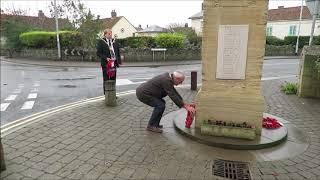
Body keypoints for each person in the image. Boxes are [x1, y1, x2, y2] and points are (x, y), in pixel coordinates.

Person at [96, 29, 121, 94]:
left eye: (111, 33)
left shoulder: (114, 41)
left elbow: (117, 52)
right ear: (105, 34)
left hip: (113, 63)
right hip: (106, 63)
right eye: (109, 34)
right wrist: (106, 58)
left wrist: (119, 61)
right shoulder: (101, 42)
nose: (110, 35)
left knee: (113, 79)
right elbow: (98, 53)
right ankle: (107, 94)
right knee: (106, 79)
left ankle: (113, 94)